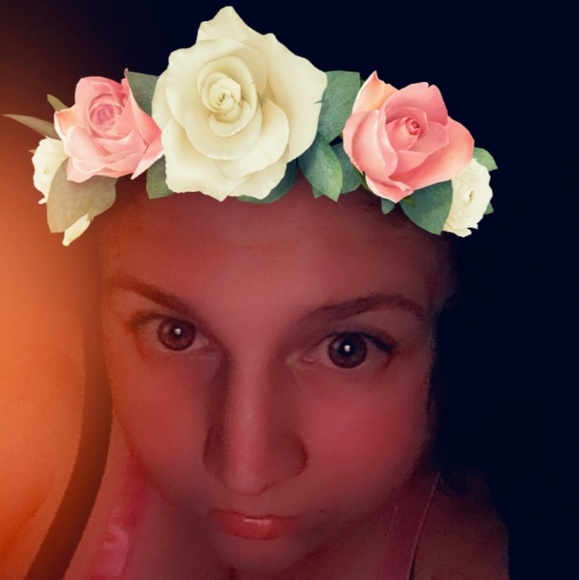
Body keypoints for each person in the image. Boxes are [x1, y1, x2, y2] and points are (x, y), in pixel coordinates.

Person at [12, 6, 509, 578]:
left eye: (348, 349)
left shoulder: (487, 553)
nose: (244, 471)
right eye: (175, 334)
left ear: (456, 337)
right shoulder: (35, 434)